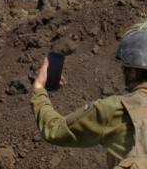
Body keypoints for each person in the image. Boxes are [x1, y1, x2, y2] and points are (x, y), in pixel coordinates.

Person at [31, 30, 147, 168]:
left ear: (133, 72)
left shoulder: (115, 110)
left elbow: (54, 130)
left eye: (124, 68)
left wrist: (39, 90)